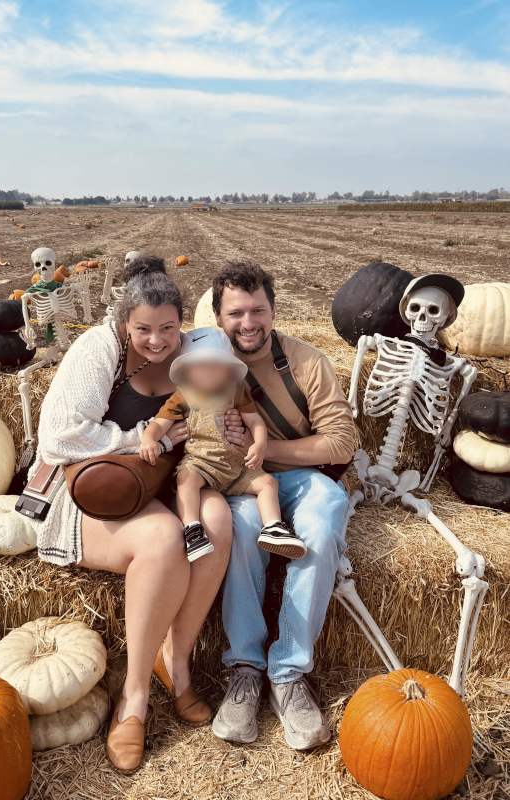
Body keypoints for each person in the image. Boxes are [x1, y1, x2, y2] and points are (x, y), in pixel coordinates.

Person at [29, 256, 233, 774]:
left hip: (164, 481)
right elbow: (59, 437)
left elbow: (221, 410)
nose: (157, 340)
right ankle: (134, 697)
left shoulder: (199, 351)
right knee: (165, 540)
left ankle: (176, 662)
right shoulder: (99, 349)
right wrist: (144, 437)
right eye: (143, 329)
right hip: (96, 488)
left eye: (168, 328)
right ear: (124, 322)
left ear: (182, 322)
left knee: (216, 523)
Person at [210, 261, 356, 752]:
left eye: (258, 310)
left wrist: (264, 447)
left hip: (301, 475)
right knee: (241, 527)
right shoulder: (203, 364)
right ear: (217, 317)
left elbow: (341, 442)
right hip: (243, 482)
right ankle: (245, 666)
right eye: (236, 313)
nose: (248, 323)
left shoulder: (307, 362)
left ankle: (288, 671)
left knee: (323, 519)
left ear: (273, 311)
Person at [139, 327, 306, 562]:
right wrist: (149, 439)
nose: (209, 371)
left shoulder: (235, 391)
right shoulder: (182, 396)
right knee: (185, 479)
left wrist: (259, 445)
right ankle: (192, 529)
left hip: (236, 466)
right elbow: (159, 423)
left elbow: (255, 421)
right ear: (186, 370)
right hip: (202, 464)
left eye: (217, 365)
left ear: (228, 369)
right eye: (200, 365)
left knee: (268, 483)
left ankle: (273, 526)